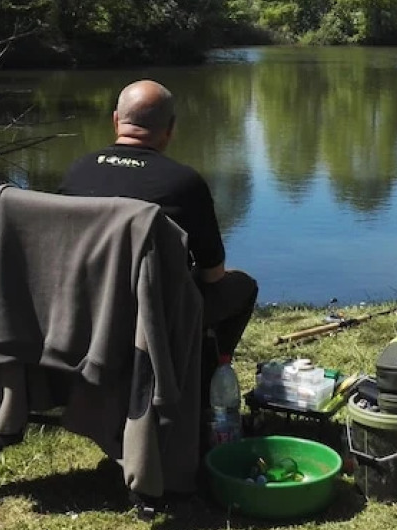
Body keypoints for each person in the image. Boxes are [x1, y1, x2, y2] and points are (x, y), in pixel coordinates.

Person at [60, 80, 257, 364]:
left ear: (115, 120)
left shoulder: (76, 172)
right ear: (171, 128)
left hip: (80, 309)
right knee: (243, 286)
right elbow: (212, 275)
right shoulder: (184, 183)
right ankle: (209, 375)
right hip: (154, 317)